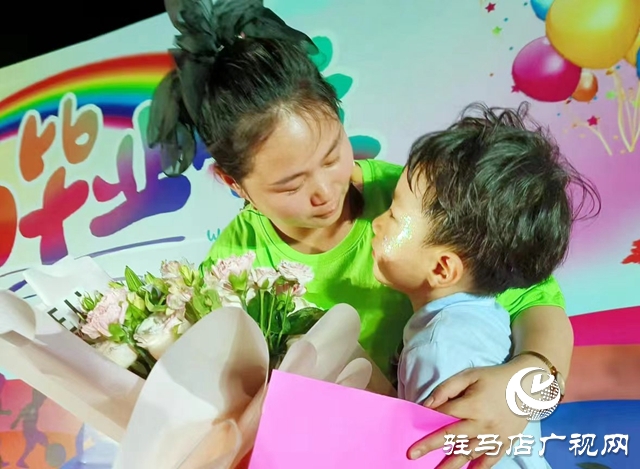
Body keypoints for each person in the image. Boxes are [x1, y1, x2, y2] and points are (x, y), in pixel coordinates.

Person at [148, 1, 600, 467]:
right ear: (232, 182)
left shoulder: (417, 202)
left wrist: (522, 390)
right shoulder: (233, 272)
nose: (325, 191)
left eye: (332, 156)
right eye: (291, 185)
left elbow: (534, 299)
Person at [371, 102, 595, 468]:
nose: (376, 223)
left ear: (442, 268)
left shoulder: (438, 352)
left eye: (394, 216)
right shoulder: (488, 316)